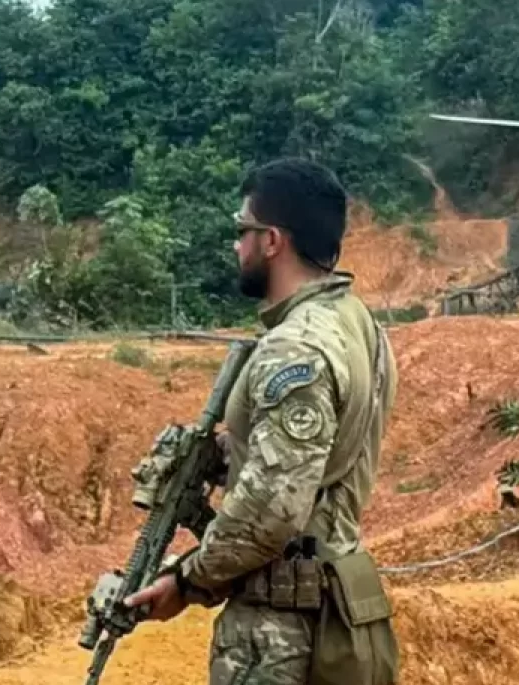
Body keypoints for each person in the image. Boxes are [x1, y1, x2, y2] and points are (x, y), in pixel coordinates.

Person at [123, 158, 400, 684]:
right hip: (332, 605)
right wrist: (225, 453)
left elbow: (272, 508)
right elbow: (317, 456)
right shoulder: (359, 324)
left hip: (281, 633)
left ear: (271, 240)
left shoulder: (294, 348)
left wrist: (187, 580)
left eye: (241, 230)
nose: (236, 245)